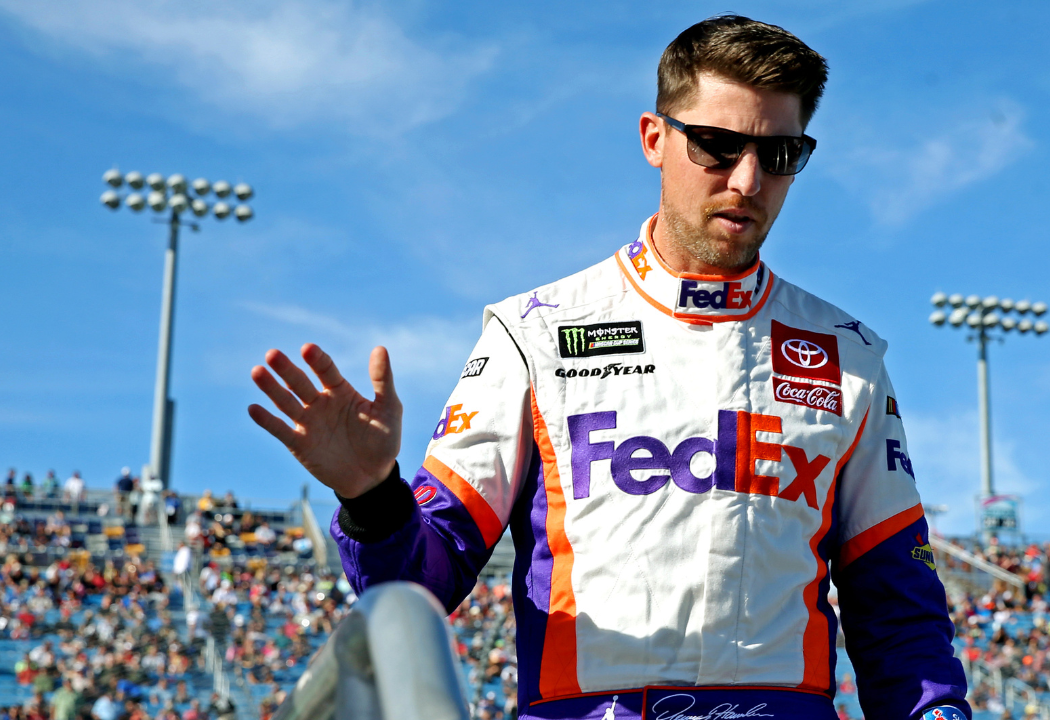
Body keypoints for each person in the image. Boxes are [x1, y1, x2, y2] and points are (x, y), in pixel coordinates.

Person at [249, 15, 967, 720]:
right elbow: (416, 583)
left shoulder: (849, 356)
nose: (748, 180)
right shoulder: (533, 333)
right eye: (719, 147)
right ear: (656, 139)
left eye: (778, 155)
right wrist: (372, 494)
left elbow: (899, 617)